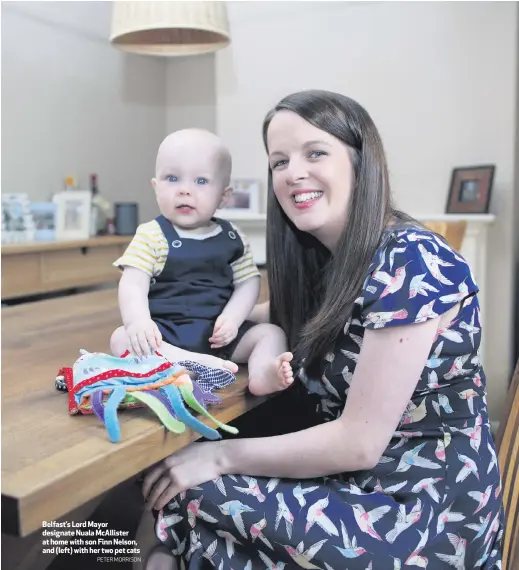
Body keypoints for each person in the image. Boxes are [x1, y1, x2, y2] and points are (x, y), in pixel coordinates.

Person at [137, 91, 504, 569]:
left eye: (315, 153)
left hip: (422, 505)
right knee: (176, 483)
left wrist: (223, 457)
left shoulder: (410, 260)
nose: (293, 173)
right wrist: (154, 324)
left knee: (187, 485)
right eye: (279, 161)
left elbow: (358, 442)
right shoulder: (328, 264)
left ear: (359, 161)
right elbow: (251, 320)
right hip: (360, 478)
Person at [111, 128, 294, 397]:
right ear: (156, 187)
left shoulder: (232, 237)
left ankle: (262, 373)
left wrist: (232, 319)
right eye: (172, 178)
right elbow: (133, 282)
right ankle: (190, 364)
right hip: (166, 334)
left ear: (223, 196)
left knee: (271, 333)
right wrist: (138, 321)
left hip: (219, 335)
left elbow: (248, 282)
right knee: (121, 338)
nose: (184, 190)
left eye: (201, 181)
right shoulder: (151, 235)